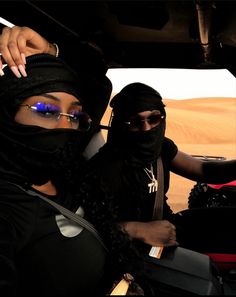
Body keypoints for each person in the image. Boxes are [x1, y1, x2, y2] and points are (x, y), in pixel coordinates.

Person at [0, 53, 114, 296]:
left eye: (75, 116)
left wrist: (53, 51)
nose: (65, 127)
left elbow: (94, 88)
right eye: (45, 110)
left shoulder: (68, 170)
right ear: (8, 113)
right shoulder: (9, 206)